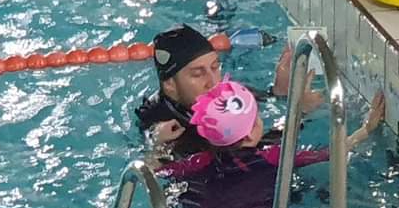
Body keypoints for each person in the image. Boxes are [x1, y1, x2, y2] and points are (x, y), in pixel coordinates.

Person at [152, 77, 385, 208]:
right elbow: (329, 153)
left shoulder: (198, 162)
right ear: (253, 133)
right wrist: (365, 130)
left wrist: (159, 143)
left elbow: (156, 171)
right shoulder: (271, 157)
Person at [134, 24, 324, 157]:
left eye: (215, 67)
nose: (213, 81)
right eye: (198, 73)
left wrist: (278, 93)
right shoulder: (165, 125)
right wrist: (299, 114)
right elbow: (248, 157)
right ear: (169, 85)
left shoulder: (222, 94)